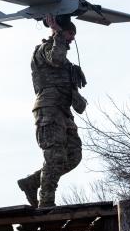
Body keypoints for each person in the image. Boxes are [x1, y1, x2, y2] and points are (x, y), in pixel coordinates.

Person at [17, 14, 87, 207]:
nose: (72, 38)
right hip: (48, 111)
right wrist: (57, 33)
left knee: (73, 156)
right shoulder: (44, 50)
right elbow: (55, 58)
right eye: (69, 33)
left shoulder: (66, 64)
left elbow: (70, 89)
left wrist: (78, 99)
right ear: (59, 32)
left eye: (73, 34)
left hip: (63, 113)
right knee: (55, 155)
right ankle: (46, 201)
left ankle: (32, 182)